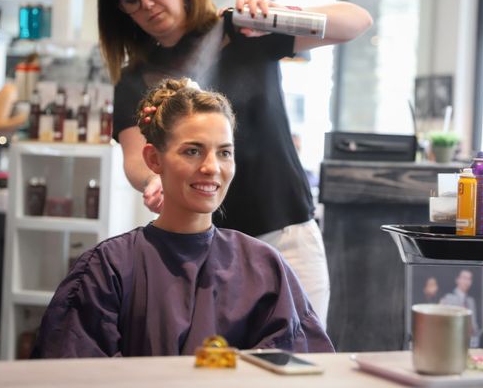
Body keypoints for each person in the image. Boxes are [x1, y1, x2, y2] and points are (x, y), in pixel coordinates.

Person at [97, 0, 373, 325]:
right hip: (204, 247)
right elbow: (135, 159)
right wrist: (153, 180)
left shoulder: (243, 30)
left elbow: (356, 21)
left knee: (300, 364)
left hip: (287, 232)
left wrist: (278, 13)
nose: (147, 3)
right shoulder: (135, 81)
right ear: (121, 11)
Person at [31, 78, 333, 357]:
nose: (212, 167)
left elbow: (297, 368)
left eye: (224, 153)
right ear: (153, 159)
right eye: (192, 151)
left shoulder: (265, 268)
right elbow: (73, 373)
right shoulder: (108, 269)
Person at [439, 269, 481, 347]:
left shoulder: (471, 301)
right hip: (452, 342)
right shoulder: (448, 298)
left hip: (470, 343)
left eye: (469, 279)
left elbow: (474, 325)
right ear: (457, 279)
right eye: (464, 278)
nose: (467, 282)